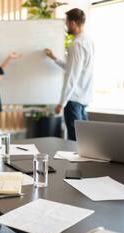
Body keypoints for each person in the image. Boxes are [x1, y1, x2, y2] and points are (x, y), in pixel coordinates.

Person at [44, 8, 94, 141]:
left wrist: (62, 102)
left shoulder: (76, 44)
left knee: (75, 142)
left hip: (73, 101)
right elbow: (74, 68)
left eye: (66, 23)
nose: (66, 26)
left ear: (72, 23)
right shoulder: (88, 41)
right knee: (85, 141)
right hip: (83, 100)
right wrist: (54, 58)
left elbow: (72, 76)